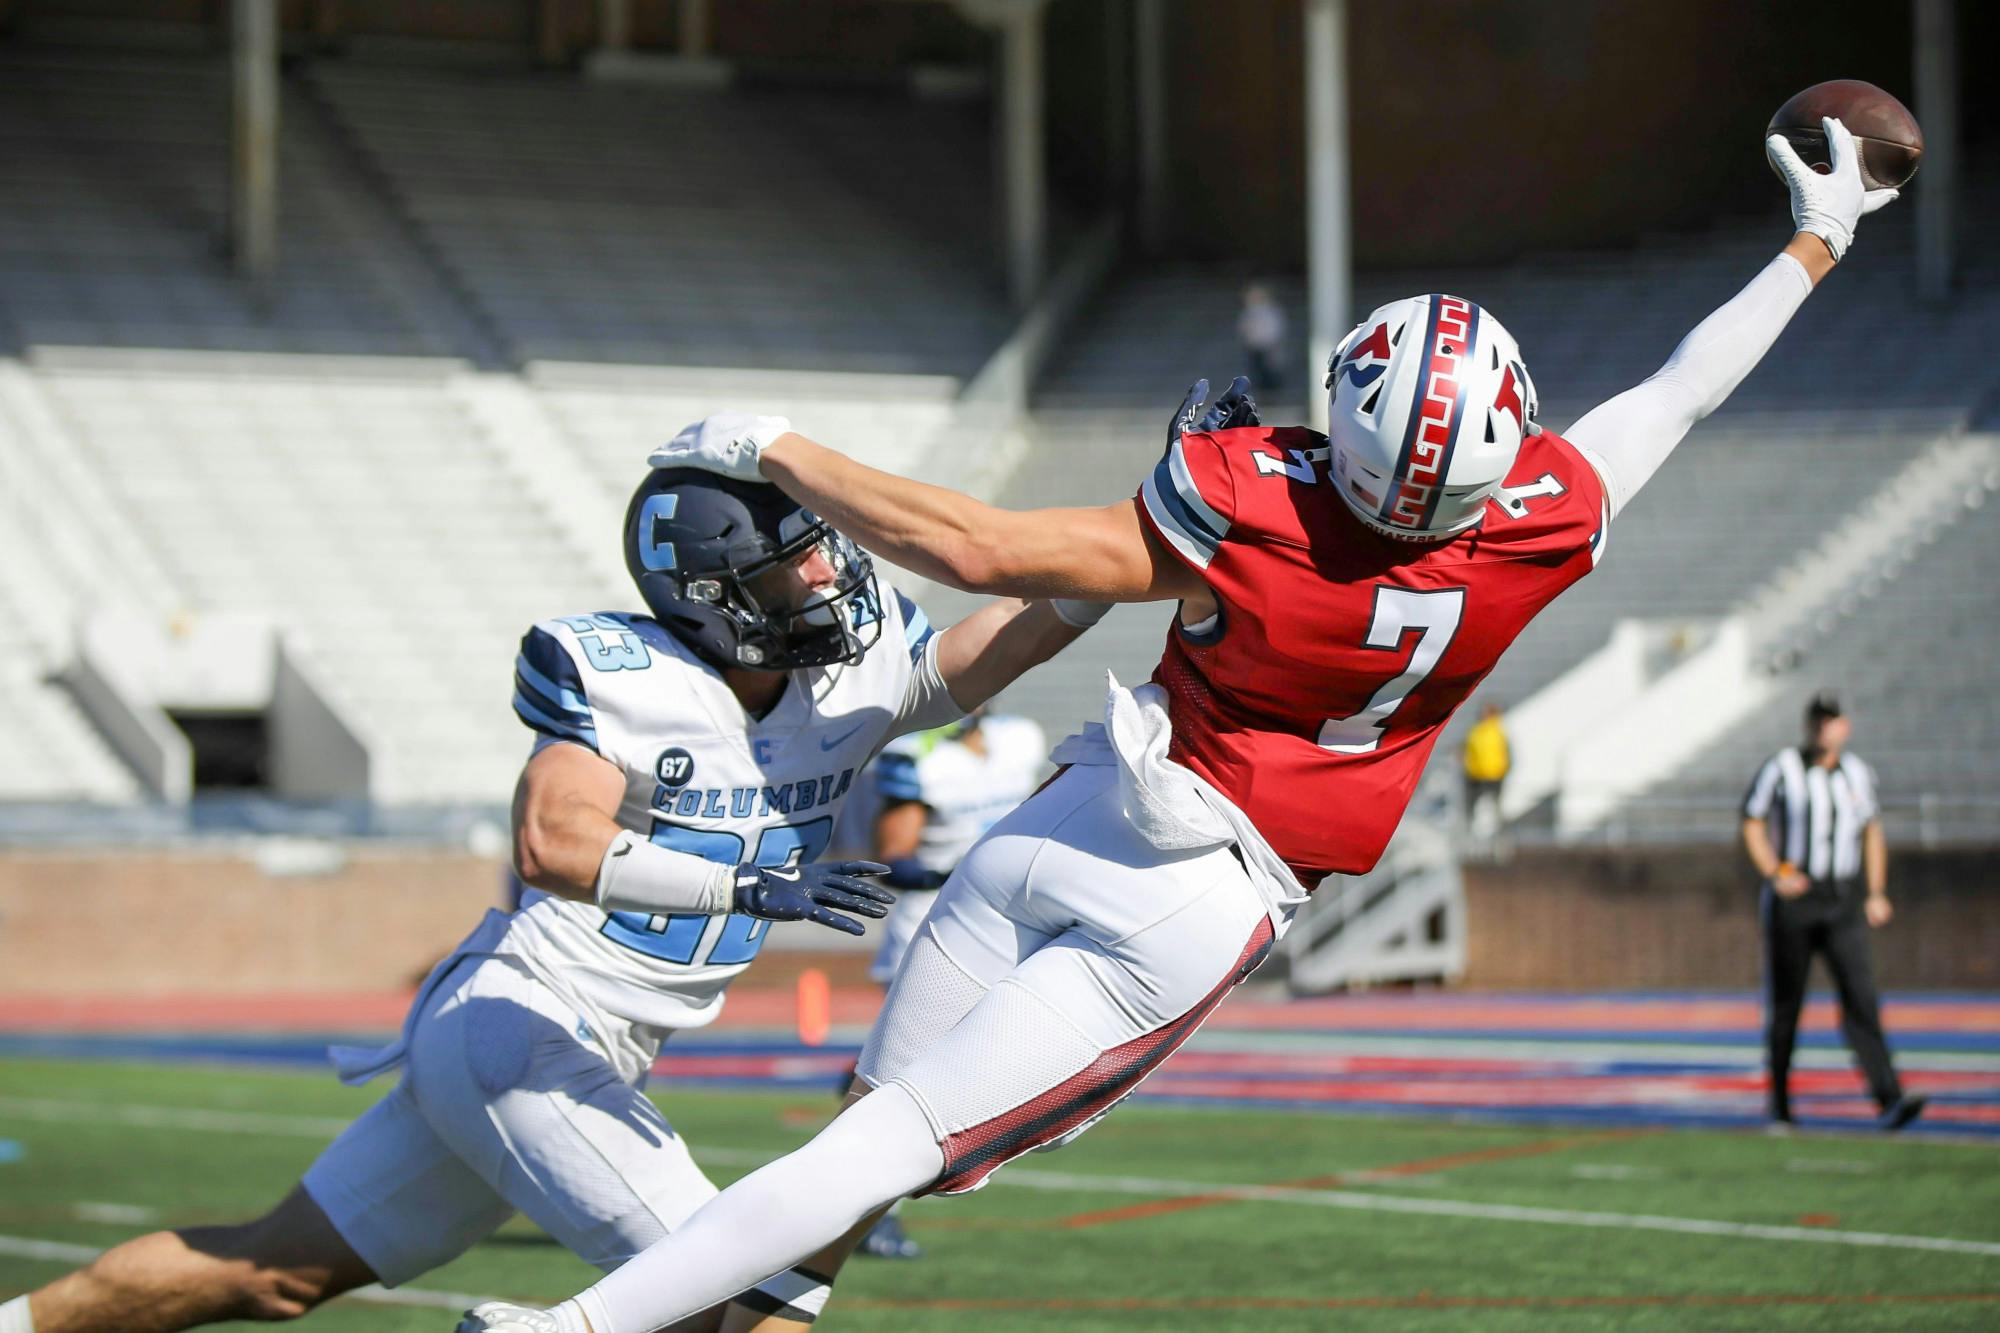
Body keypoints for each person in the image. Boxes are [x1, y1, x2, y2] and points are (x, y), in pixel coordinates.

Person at [461, 115, 1899, 1333]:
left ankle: (601, 1326)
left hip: (1091, 816)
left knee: (865, 1143)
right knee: (877, 1153)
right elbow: (1684, 389)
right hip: (1203, 897)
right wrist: (1819, 239)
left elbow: (973, 549)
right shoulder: (1541, 516)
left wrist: (770, 443)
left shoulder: (1249, 501)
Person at [1, 461, 1107, 1333]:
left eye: (819, 554)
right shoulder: (622, 677)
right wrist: (747, 882)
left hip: (577, 1049)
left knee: (271, 1271)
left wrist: (1161, 526)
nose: (825, 580)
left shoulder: (849, 679)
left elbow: (1030, 616)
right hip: (521, 1030)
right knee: (733, 1292)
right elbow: (551, 839)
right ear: (713, 593)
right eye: (791, 567)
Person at [850, 705, 1047, 1260]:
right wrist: (971, 871)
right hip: (935, 926)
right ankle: (865, 1210)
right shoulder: (916, 754)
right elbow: (895, 858)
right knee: (897, 1077)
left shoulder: (1019, 737)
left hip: (1011, 922)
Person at [1741, 692, 1924, 1133]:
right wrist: (1775, 871)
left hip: (1842, 899)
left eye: (1832, 721)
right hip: (1794, 900)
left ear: (1845, 726)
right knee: (1787, 1005)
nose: (1825, 729)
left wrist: (1876, 891)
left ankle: (1889, 1099)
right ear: (1808, 726)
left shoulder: (1857, 774)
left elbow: (1871, 831)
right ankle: (1780, 1108)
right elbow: (1752, 821)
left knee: (1862, 998)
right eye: (1818, 721)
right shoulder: (1781, 768)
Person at [1461, 700, 1511, 851]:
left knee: (1495, 812)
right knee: (1472, 812)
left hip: (1494, 776)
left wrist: (1502, 770)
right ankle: (1471, 844)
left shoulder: (1498, 731)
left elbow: (1506, 753)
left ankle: (1500, 844)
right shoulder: (1476, 731)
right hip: (1475, 776)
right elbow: (1469, 751)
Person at [1237, 282, 1287, 392]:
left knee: (1269, 374)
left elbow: (1275, 330)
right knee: (1256, 374)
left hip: (1268, 348)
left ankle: (1271, 395)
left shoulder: (1271, 312)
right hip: (1254, 348)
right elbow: (1244, 329)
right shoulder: (1249, 312)